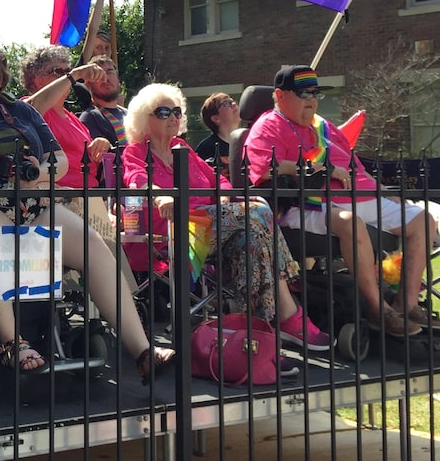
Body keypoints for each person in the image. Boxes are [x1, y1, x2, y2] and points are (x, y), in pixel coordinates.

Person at [0, 43, 174, 381]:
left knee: (89, 240)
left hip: (27, 204)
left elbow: (59, 160)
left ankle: (142, 350)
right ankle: (12, 344)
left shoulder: (22, 113)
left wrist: (38, 171)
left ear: (0, 79)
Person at [122, 84, 330, 361]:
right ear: (143, 118)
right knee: (258, 212)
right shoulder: (135, 152)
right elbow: (138, 181)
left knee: (252, 238)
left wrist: (226, 197)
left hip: (215, 225)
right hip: (176, 232)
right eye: (163, 112)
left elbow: (216, 180)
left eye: (176, 111)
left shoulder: (182, 148)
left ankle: (256, 335)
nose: (173, 117)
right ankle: (288, 314)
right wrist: (161, 198)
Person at [242, 65, 437, 339]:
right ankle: (377, 310)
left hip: (358, 196)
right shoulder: (267, 126)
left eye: (315, 93)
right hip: (306, 203)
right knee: (350, 223)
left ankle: (407, 304)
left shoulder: (325, 127)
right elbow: (265, 169)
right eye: (302, 93)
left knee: (423, 220)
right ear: (280, 95)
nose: (311, 99)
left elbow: (354, 165)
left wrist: (381, 188)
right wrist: (322, 169)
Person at [19, 46, 116, 244]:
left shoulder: (74, 119)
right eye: (59, 72)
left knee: (116, 266)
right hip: (60, 201)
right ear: (37, 80)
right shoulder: (29, 108)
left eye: (68, 71)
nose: (68, 77)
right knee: (108, 264)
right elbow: (32, 109)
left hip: (90, 200)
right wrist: (77, 74)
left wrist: (101, 144)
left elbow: (89, 162)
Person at [78, 55, 129, 148]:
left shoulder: (129, 114)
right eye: (99, 75)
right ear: (88, 84)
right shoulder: (90, 118)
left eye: (110, 73)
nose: (106, 79)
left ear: (118, 80)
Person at [195, 91, 240, 178]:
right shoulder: (206, 147)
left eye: (233, 101)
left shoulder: (247, 142)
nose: (234, 104)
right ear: (216, 118)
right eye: (226, 103)